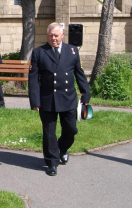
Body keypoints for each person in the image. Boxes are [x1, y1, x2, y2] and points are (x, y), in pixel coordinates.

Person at [28, 22, 90, 176]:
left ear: (62, 35)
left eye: (56, 35)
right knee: (49, 133)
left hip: (68, 98)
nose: (53, 38)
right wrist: (35, 101)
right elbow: (33, 79)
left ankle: (62, 148)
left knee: (71, 129)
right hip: (47, 99)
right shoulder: (39, 52)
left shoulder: (72, 51)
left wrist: (85, 93)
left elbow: (79, 73)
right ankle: (51, 162)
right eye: (50, 35)